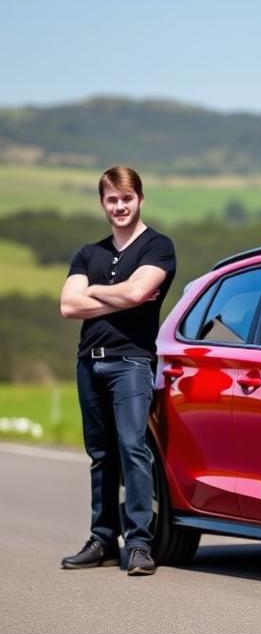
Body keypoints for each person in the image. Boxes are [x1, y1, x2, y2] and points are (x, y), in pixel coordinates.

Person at [59, 166, 176, 576]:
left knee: (133, 450)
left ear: (139, 199)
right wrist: (118, 297)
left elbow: (139, 292)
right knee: (101, 455)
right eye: (112, 199)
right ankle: (103, 540)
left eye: (127, 198)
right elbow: (68, 306)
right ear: (103, 203)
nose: (120, 206)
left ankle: (140, 543)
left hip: (131, 362)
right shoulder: (88, 253)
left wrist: (92, 290)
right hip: (89, 362)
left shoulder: (157, 247)